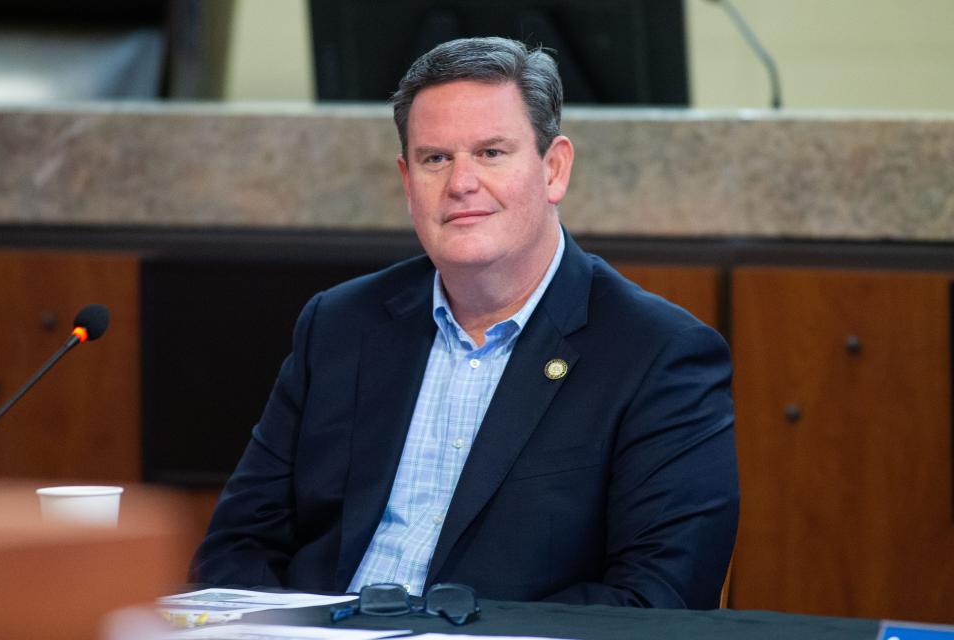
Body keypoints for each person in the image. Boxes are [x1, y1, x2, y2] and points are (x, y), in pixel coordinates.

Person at [191, 36, 738, 609]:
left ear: (554, 170)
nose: (461, 183)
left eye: (491, 153)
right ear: (407, 181)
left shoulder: (659, 354)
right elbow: (237, 549)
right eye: (435, 158)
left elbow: (656, 598)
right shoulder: (339, 325)